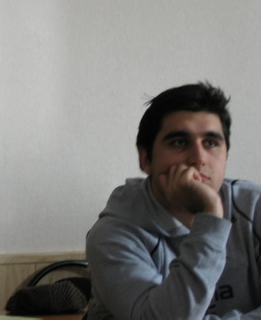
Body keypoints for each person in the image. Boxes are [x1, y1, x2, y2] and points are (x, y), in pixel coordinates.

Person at [86, 83, 261, 319]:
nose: (198, 158)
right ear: (145, 159)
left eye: (211, 143)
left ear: (226, 155)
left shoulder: (255, 207)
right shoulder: (111, 235)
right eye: (179, 142)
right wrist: (210, 218)